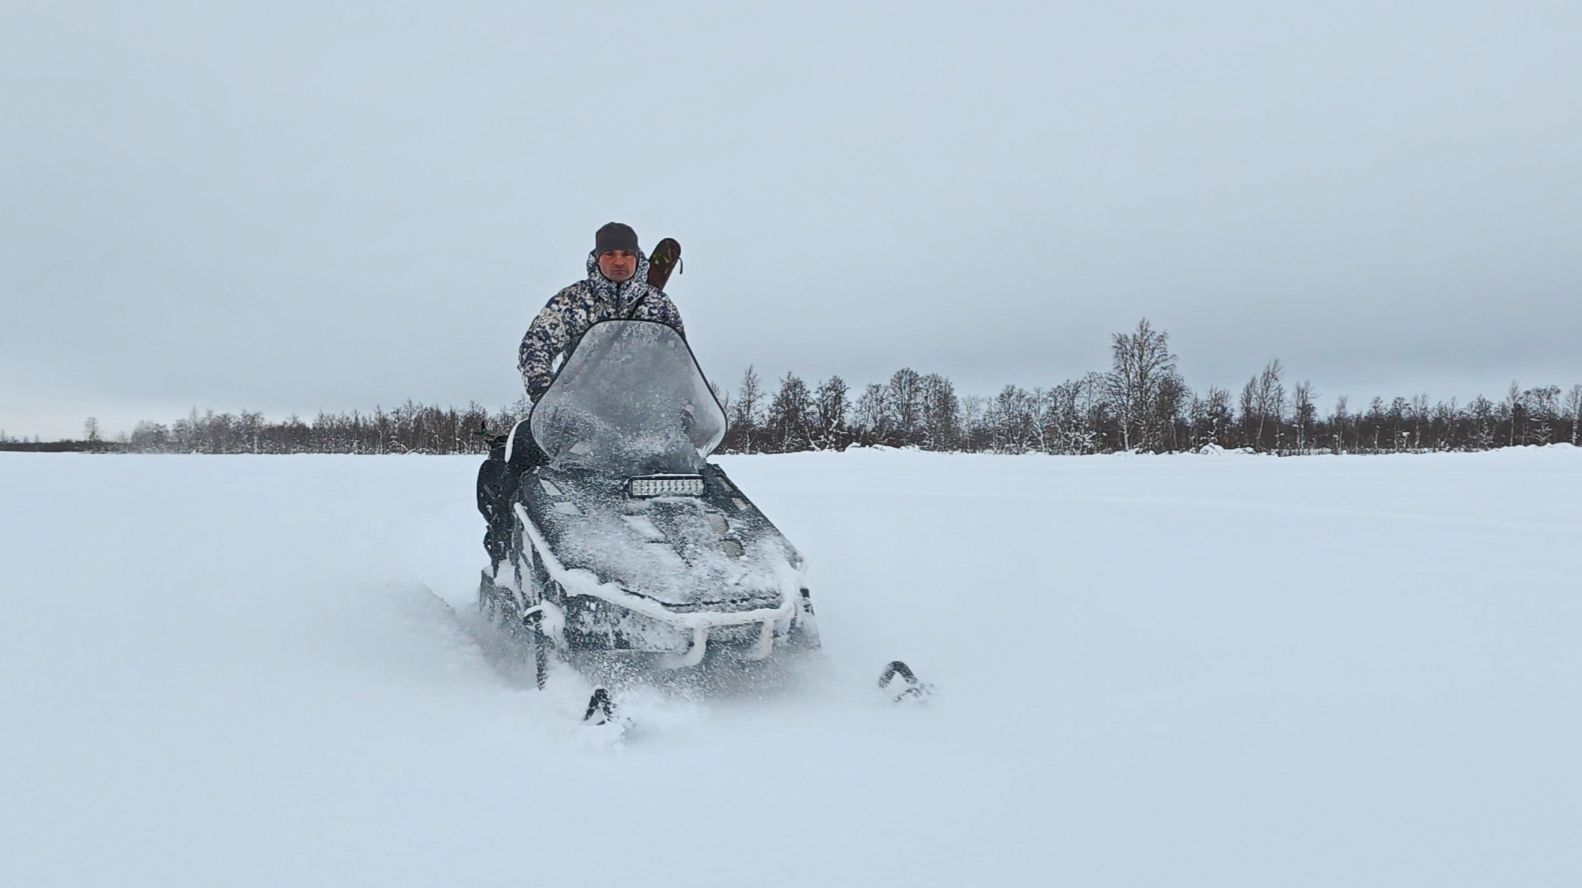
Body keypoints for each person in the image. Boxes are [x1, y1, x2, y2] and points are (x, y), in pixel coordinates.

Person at [477, 222, 687, 569]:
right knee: (522, 455)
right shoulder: (573, 300)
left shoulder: (660, 307)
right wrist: (545, 393)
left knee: (690, 473)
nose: (618, 262)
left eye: (626, 254)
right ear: (597, 257)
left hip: (642, 417)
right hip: (577, 415)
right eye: (610, 254)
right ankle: (505, 549)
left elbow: (678, 360)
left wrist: (681, 403)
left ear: (638, 259)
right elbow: (535, 346)